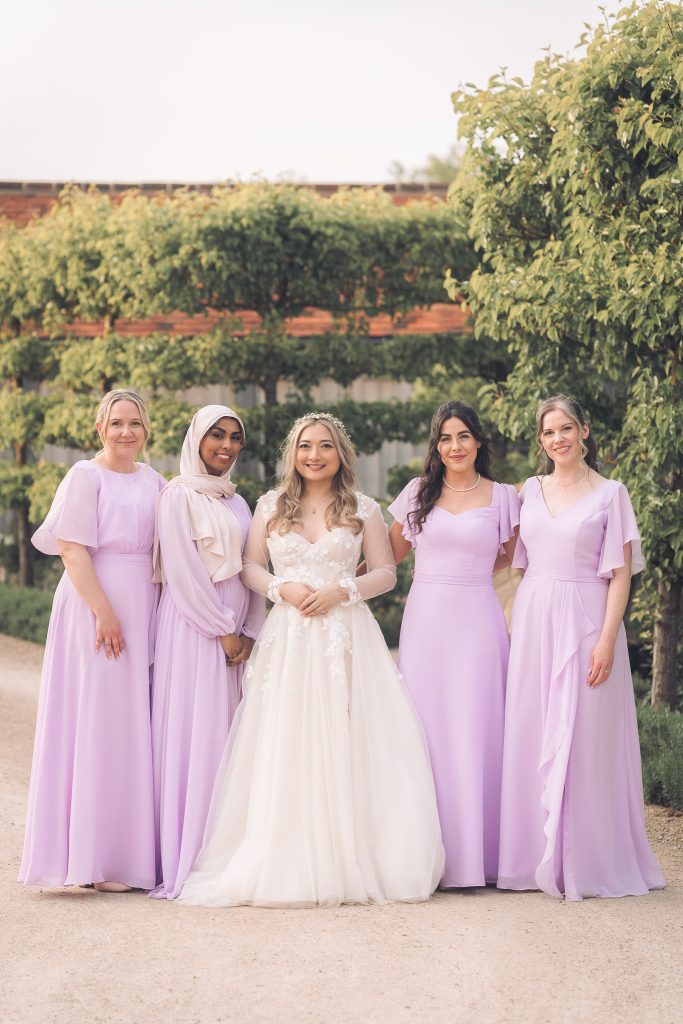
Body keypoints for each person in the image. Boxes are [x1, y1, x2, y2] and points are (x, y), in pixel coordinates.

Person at [178, 412, 444, 908]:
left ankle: (351, 853)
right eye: (305, 446)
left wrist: (343, 589)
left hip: (345, 635)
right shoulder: (269, 506)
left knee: (350, 736)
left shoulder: (363, 509)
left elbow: (386, 573)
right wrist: (282, 587)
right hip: (290, 637)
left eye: (325, 446)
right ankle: (288, 853)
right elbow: (250, 567)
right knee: (288, 736)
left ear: (340, 453)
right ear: (292, 454)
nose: (314, 455)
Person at [498, 394, 665, 900]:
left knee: (587, 737)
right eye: (548, 432)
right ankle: (532, 860)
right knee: (533, 730)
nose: (558, 439)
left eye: (566, 428)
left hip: (589, 618)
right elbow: (512, 562)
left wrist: (609, 640)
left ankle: (588, 861)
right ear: (541, 441)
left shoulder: (611, 494)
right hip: (534, 615)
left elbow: (619, 575)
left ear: (584, 431)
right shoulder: (528, 490)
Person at [19, 390, 165, 892]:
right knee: (96, 720)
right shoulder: (85, 476)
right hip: (93, 604)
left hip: (141, 605)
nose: (126, 432)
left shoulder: (156, 482)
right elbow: (71, 547)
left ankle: (122, 856)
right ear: (99, 428)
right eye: (117, 423)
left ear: (147, 429)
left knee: (130, 726)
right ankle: (89, 859)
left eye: (135, 423)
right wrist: (103, 611)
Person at [387, 400, 519, 888]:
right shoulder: (418, 494)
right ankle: (426, 852)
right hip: (426, 621)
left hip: (479, 620)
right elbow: (389, 556)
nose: (454, 445)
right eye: (445, 438)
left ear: (478, 441)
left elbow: (509, 556)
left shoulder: (504, 497)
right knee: (425, 728)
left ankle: (478, 856)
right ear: (435, 445)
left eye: (463, 436)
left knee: (477, 726)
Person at [150, 405, 263, 900]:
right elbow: (183, 574)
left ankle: (222, 854)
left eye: (235, 437)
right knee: (195, 735)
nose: (226, 445)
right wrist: (222, 631)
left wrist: (251, 630)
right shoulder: (178, 496)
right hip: (195, 631)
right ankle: (186, 855)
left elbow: (251, 567)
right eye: (216, 435)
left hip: (234, 635)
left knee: (227, 740)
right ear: (196, 438)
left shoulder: (238, 501)